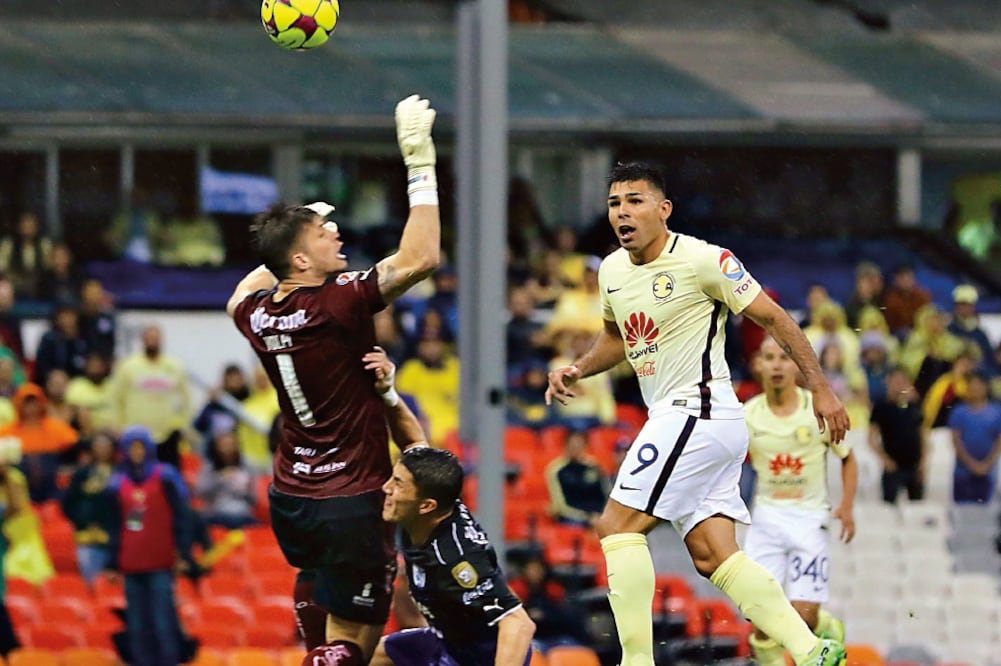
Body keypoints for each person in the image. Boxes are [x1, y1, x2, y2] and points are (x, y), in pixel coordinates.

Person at [544, 162, 850, 666]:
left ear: (663, 209)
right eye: (615, 203)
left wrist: (820, 388)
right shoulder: (613, 271)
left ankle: (636, 661)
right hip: (690, 421)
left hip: (698, 411)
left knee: (615, 526)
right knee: (713, 555)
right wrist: (579, 368)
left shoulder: (704, 261)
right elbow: (619, 337)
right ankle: (812, 650)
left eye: (635, 201)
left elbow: (774, 317)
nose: (622, 212)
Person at [226, 93, 440, 665]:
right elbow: (420, 257)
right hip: (351, 494)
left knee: (317, 589)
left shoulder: (257, 313)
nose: (337, 235)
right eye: (325, 233)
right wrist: (420, 163)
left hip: (291, 493)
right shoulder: (338, 301)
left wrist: (290, 234)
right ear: (301, 261)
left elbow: (242, 291)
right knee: (356, 643)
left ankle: (314, 653)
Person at [366, 346, 536, 666]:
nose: (386, 489)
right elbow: (415, 443)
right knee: (352, 654)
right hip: (443, 640)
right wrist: (387, 392)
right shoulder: (433, 496)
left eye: (398, 485)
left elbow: (519, 625)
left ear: (426, 505)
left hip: (479, 658)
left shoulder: (458, 560)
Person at [742, 337, 857, 665]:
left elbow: (848, 458)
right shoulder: (746, 415)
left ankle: (824, 625)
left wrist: (847, 506)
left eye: (784, 357)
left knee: (801, 617)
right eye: (769, 357)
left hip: (808, 517)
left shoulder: (818, 410)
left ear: (796, 365)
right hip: (766, 516)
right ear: (758, 365)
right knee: (762, 619)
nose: (777, 365)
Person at [105, 426, 194, 666]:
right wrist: (112, 563)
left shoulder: (165, 477)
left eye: (140, 447)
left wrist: (183, 552)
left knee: (163, 619)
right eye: (131, 447)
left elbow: (181, 516)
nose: (136, 452)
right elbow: (115, 527)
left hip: (160, 561)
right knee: (137, 623)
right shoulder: (117, 483)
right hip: (131, 563)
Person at [868, 367, 927, 504]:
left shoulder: (914, 406)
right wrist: (885, 459)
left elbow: (922, 435)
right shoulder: (881, 407)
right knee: (889, 505)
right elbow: (871, 438)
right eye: (895, 381)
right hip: (893, 465)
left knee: (917, 506)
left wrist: (923, 462)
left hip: (914, 464)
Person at [947, 371, 1001, 504]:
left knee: (986, 514)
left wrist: (986, 464)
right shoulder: (959, 412)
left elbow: (999, 441)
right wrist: (971, 464)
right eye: (972, 384)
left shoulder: (996, 412)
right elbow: (956, 440)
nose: (975, 388)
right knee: (962, 511)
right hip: (963, 472)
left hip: (988, 472)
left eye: (978, 384)